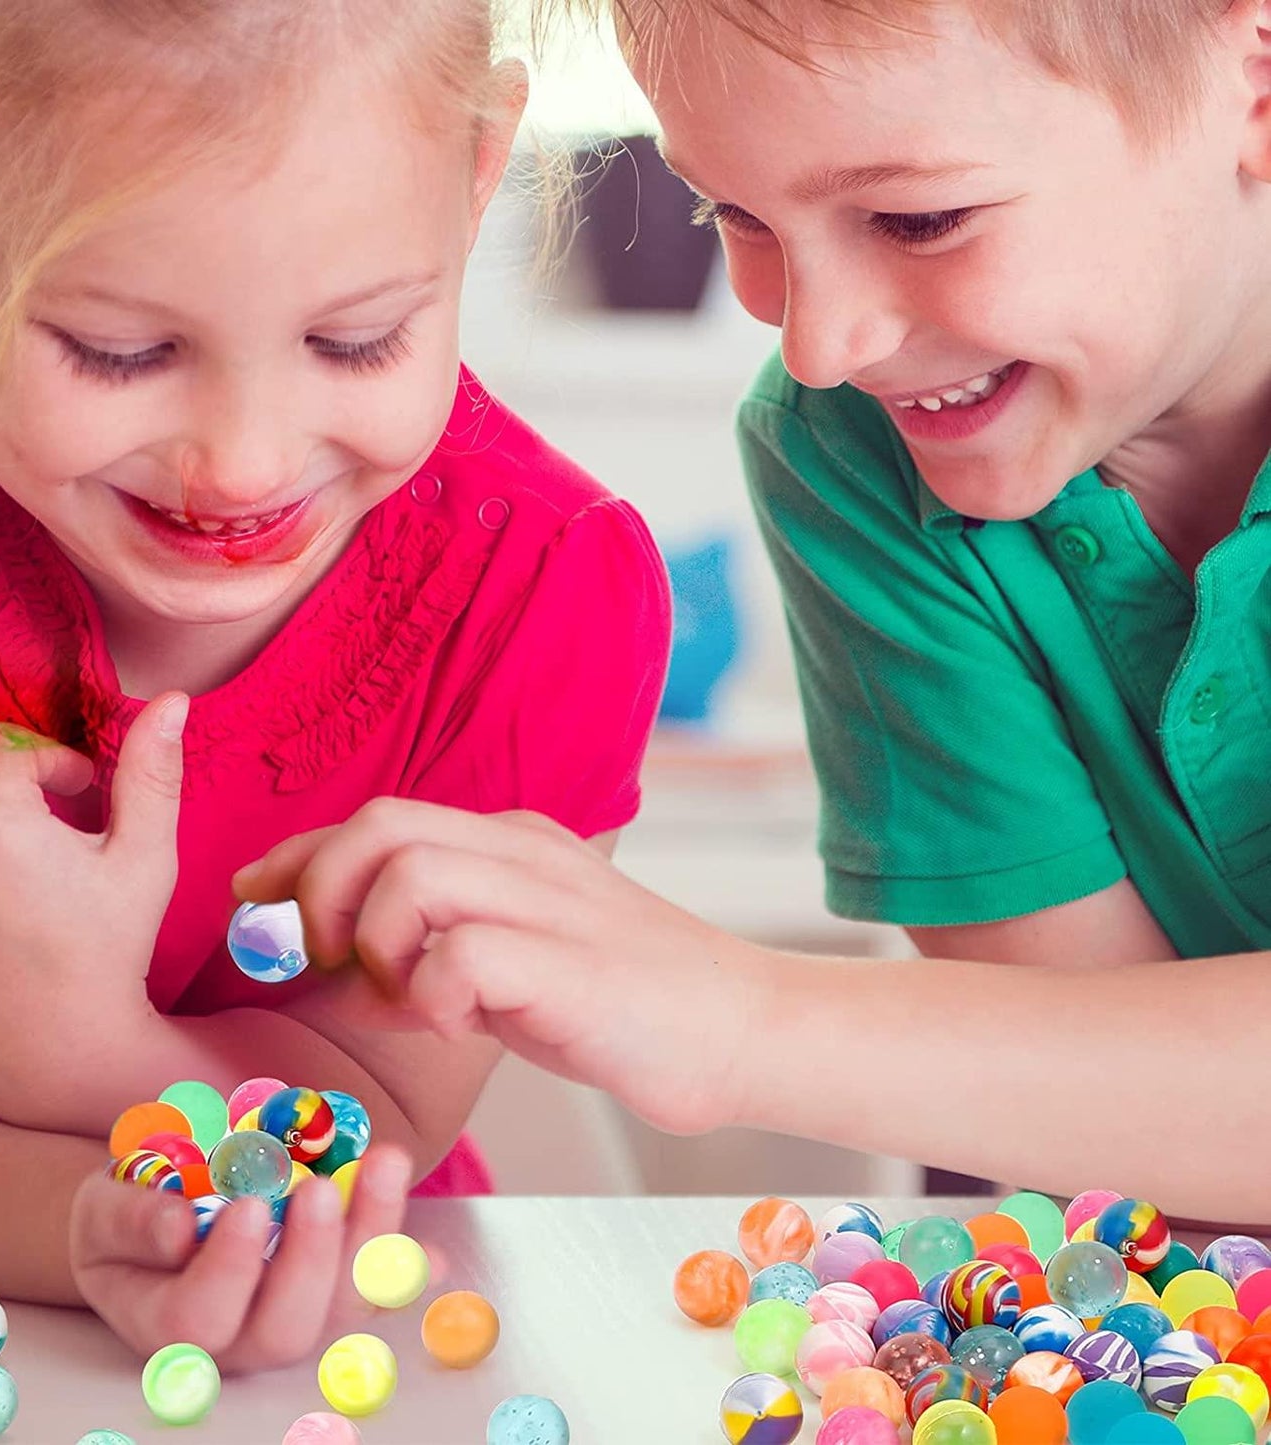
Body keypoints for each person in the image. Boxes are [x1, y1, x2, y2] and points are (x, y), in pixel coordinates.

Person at [234, 0, 1271, 1228]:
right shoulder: (852, 453)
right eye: (732, 212)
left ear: (1252, 83)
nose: (819, 343)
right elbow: (1119, 1143)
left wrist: (738, 1017)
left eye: (918, 219)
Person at [0, 0, 670, 1370]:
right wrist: (83, 1230)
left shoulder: (546, 592)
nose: (241, 463)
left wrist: (73, 1042)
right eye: (117, 349)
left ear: (474, 178)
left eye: (355, 342)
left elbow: (378, 1122)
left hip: (371, 1349)